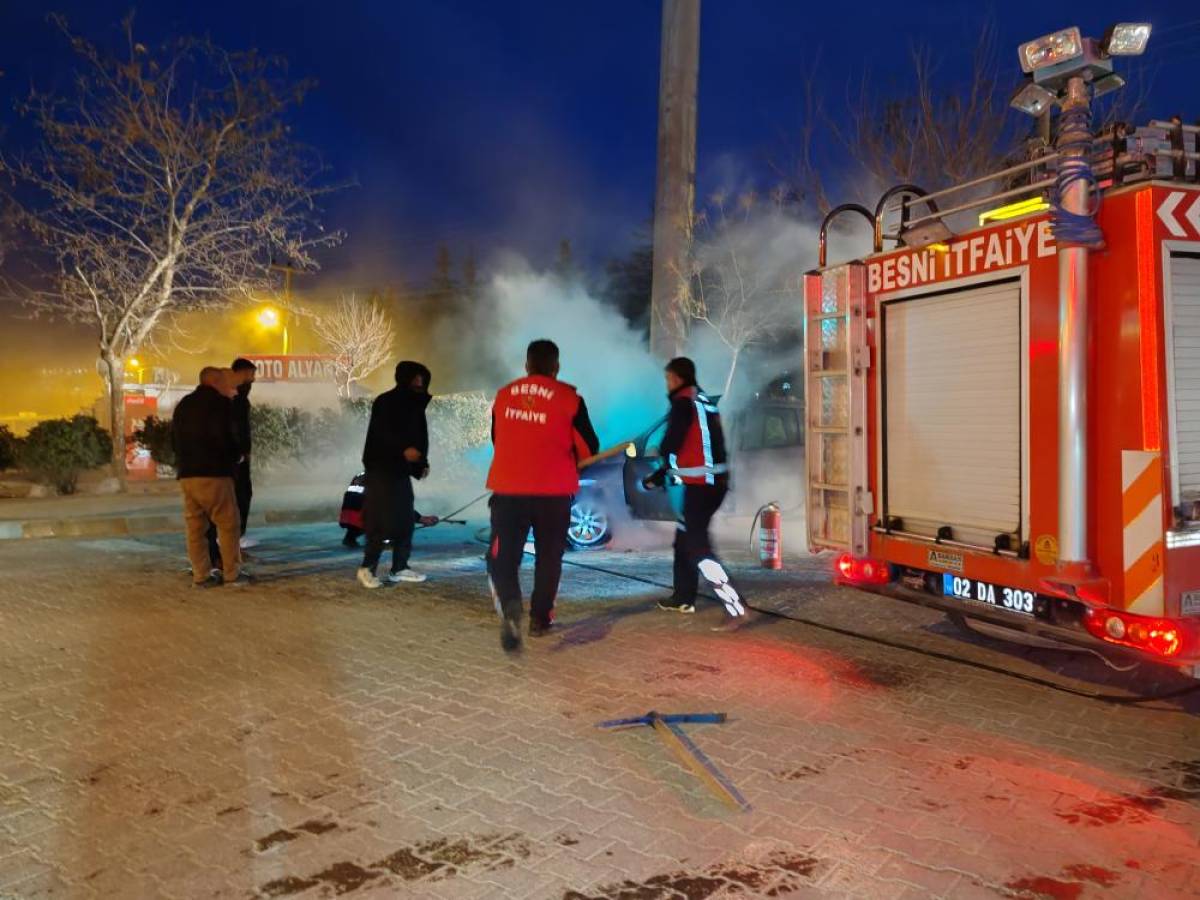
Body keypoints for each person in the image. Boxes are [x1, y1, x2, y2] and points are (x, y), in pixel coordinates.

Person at [487, 339, 599, 652]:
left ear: (526, 366)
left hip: (509, 490)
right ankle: (540, 619)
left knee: (503, 556)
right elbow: (590, 447)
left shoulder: (503, 395)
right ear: (556, 367)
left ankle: (511, 605)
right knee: (549, 558)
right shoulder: (570, 398)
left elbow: (498, 439)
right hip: (553, 493)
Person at [643, 357, 744, 618]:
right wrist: (660, 475)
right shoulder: (703, 401)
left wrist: (660, 452)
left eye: (668, 379)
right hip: (712, 484)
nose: (667, 384)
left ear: (676, 378)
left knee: (698, 547)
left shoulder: (682, 403)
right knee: (684, 541)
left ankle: (735, 604)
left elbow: (673, 441)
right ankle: (683, 598)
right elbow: (694, 446)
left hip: (702, 487)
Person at [356, 361, 433, 589]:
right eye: (416, 378)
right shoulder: (386, 402)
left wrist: (421, 463)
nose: (420, 383)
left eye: (422, 379)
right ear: (405, 378)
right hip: (381, 469)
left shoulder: (415, 406)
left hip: (400, 471)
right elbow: (381, 435)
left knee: (405, 519)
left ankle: (400, 567)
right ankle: (367, 568)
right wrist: (402, 450)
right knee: (379, 519)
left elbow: (419, 438)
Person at [172, 367, 250, 588]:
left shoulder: (184, 404)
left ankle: (201, 574)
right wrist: (237, 456)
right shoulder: (221, 405)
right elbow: (226, 437)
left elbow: (173, 440)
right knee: (228, 524)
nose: (230, 387)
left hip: (187, 474)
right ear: (215, 382)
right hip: (215, 473)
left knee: (195, 527)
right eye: (225, 382)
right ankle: (232, 572)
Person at [206, 357, 257, 567]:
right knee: (232, 504)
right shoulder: (227, 401)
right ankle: (223, 556)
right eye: (250, 374)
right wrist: (238, 453)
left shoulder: (238, 398)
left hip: (234, 460)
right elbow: (230, 429)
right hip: (229, 462)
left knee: (240, 499)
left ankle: (224, 551)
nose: (253, 379)